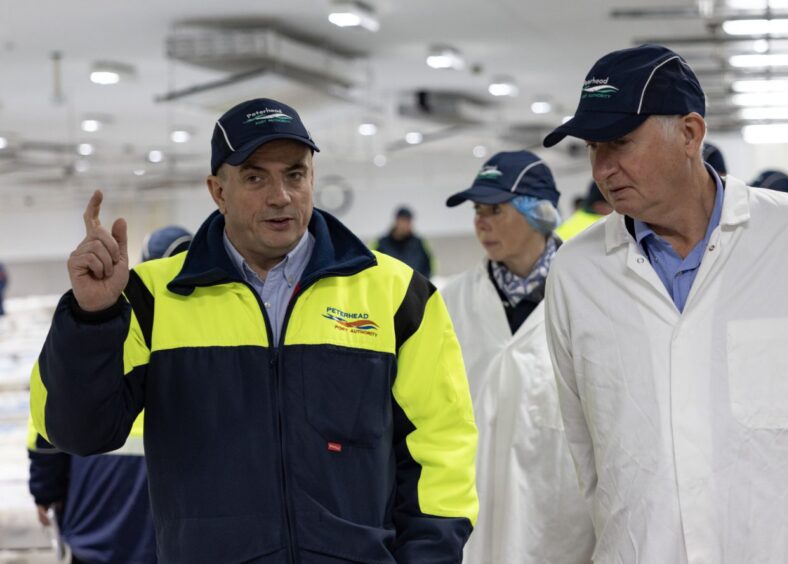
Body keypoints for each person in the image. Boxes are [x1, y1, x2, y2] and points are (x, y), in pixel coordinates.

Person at [29, 98, 478, 563]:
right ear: (217, 190)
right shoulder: (150, 298)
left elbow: (440, 444)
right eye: (255, 177)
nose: (280, 195)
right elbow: (76, 432)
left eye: (295, 174)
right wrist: (92, 319)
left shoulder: (396, 295)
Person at [542, 44, 788, 562]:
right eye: (593, 147)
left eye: (620, 141)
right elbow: (588, 445)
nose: (603, 168)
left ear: (690, 134)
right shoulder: (577, 271)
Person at [441, 150, 595, 564]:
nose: (480, 222)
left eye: (495, 209)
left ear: (538, 214)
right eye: (477, 209)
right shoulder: (449, 303)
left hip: (560, 527)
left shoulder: (589, 295)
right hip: (472, 528)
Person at [26, 226, 190, 564]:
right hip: (168, 499)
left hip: (98, 494)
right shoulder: (209, 332)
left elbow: (48, 426)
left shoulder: (110, 322)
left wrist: (46, 491)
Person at [373, 206, 434, 278]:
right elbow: (372, 265)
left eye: (408, 221)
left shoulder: (419, 243)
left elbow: (430, 266)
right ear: (396, 221)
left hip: (413, 287)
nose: (404, 225)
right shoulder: (381, 243)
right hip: (389, 286)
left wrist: (423, 284)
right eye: (402, 220)